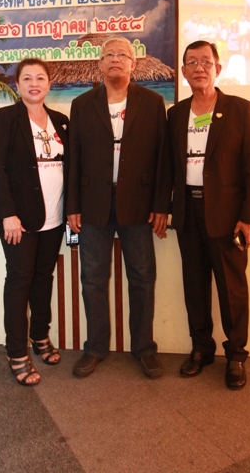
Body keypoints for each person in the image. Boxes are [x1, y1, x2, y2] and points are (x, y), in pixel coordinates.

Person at [67, 36, 171, 379]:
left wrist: (161, 205)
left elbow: (162, 158)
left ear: (133, 64)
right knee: (92, 278)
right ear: (99, 64)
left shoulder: (153, 103)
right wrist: (72, 205)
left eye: (122, 55)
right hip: (93, 204)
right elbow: (74, 159)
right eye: (108, 54)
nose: (115, 59)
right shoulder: (82, 104)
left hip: (138, 205)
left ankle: (144, 348)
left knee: (142, 277)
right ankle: (95, 347)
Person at [168, 40, 250, 390]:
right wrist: (164, 207)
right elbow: (169, 168)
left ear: (217, 68)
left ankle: (236, 355)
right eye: (192, 62)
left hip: (226, 214)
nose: (199, 68)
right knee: (195, 287)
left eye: (206, 62)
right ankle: (201, 349)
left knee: (232, 289)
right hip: (187, 212)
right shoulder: (176, 114)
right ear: (184, 71)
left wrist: (249, 216)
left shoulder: (239, 109)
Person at [0, 58, 69, 386]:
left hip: (54, 218)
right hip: (18, 221)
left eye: (40, 78)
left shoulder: (61, 121)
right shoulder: (6, 118)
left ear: (49, 84)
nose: (34, 84)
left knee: (43, 278)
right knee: (20, 281)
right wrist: (7, 214)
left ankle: (40, 336)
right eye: (27, 78)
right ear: (17, 85)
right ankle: (16, 351)